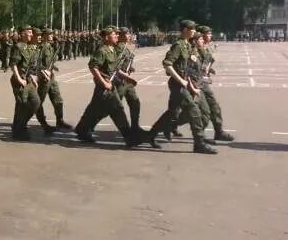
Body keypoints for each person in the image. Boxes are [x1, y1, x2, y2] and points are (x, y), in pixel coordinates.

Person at [73, 27, 150, 148]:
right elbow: (93, 67)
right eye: (114, 35)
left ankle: (81, 130)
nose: (117, 37)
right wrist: (104, 83)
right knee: (117, 110)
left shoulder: (112, 50)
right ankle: (129, 138)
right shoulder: (102, 50)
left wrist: (128, 78)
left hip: (109, 85)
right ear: (106, 37)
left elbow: (116, 69)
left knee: (94, 109)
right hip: (104, 87)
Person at [148, 20, 216, 154]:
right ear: (184, 30)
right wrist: (181, 81)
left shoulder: (188, 46)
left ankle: (150, 135)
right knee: (195, 112)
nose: (194, 31)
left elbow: (188, 71)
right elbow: (167, 64)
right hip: (177, 85)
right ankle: (199, 143)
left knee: (171, 114)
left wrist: (192, 86)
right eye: (191, 29)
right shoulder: (178, 45)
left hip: (184, 84)